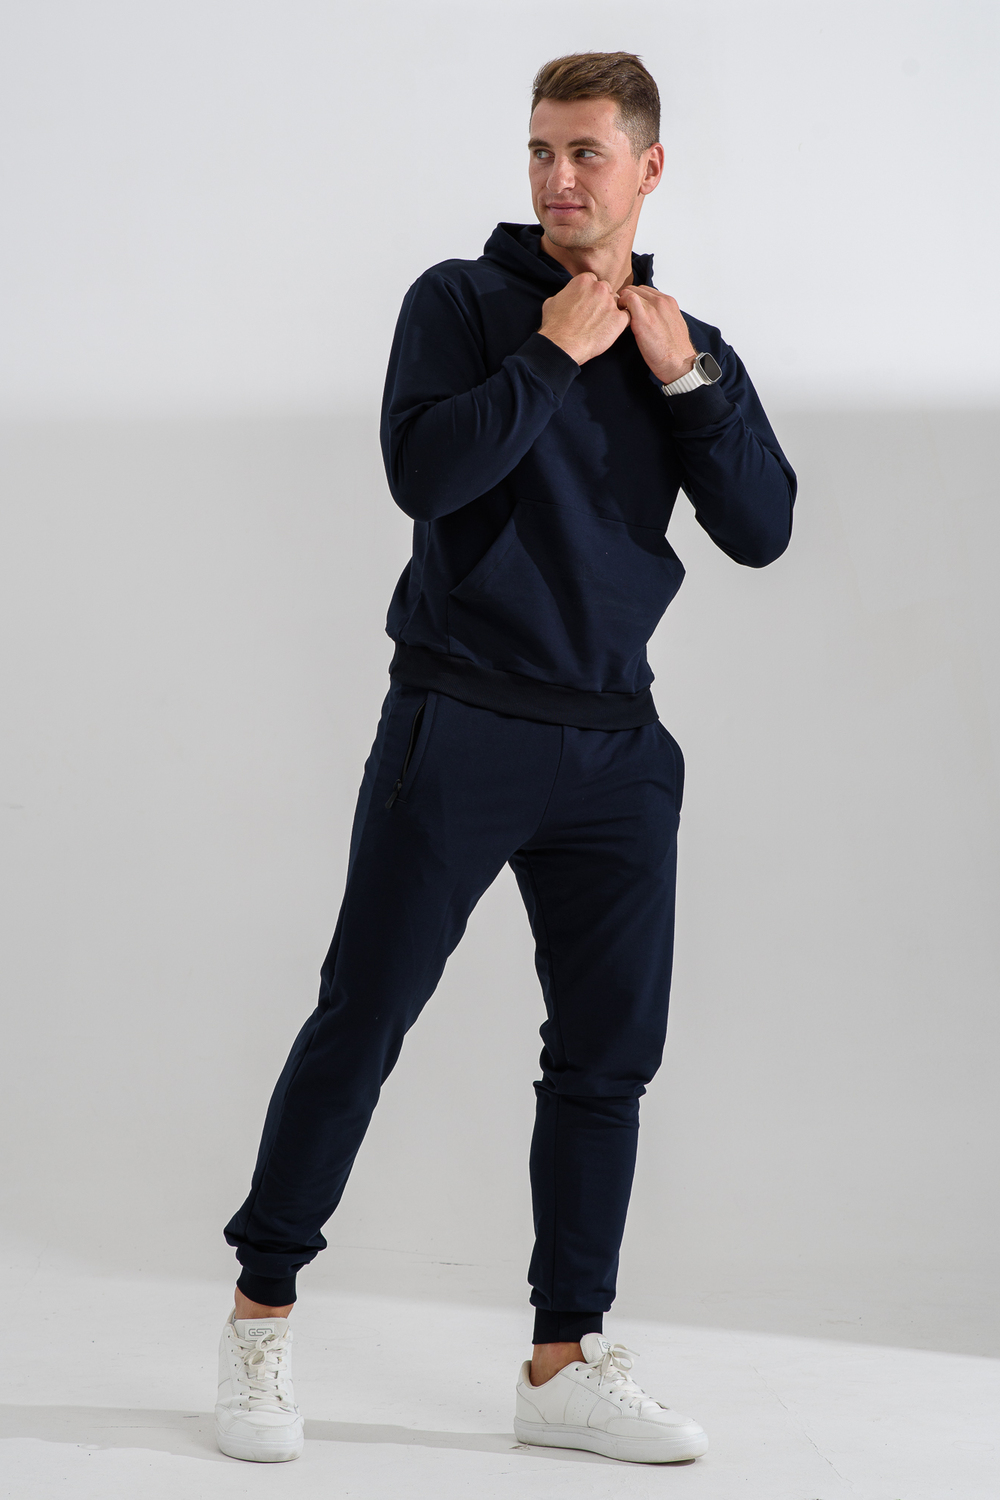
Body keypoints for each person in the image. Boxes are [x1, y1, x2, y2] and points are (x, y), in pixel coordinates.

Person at [214, 50, 795, 1466]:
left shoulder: (682, 341)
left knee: (606, 1062)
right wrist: (551, 355)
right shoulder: (462, 304)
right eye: (541, 150)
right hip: (459, 719)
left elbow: (765, 527)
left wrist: (686, 377)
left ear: (648, 166)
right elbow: (424, 475)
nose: (558, 177)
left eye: (587, 151)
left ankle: (562, 1361)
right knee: (364, 1018)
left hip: (617, 748)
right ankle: (259, 1318)